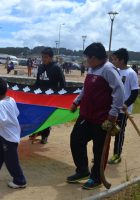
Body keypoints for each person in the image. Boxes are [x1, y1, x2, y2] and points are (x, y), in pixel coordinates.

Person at [67, 43, 124, 190]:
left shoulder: (109, 70)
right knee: (76, 140)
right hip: (86, 115)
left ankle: (96, 178)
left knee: (99, 150)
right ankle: (82, 170)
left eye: (87, 57)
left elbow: (119, 92)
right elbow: (86, 88)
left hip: (102, 118)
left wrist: (113, 113)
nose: (86, 60)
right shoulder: (92, 68)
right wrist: (76, 102)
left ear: (94, 57)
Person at [108, 48, 139, 164]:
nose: (113, 61)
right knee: (106, 131)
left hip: (123, 110)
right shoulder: (115, 71)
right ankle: (104, 155)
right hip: (112, 108)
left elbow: (135, 92)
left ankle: (117, 155)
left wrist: (126, 104)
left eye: (115, 59)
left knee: (118, 133)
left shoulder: (131, 74)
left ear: (122, 60)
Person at [31, 47, 65, 144]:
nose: (43, 59)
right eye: (42, 57)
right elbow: (37, 82)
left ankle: (45, 136)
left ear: (51, 57)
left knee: (46, 117)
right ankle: (38, 131)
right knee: (37, 116)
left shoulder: (56, 68)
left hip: (50, 98)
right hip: (40, 97)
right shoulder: (41, 67)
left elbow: (63, 84)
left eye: (45, 57)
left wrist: (60, 97)